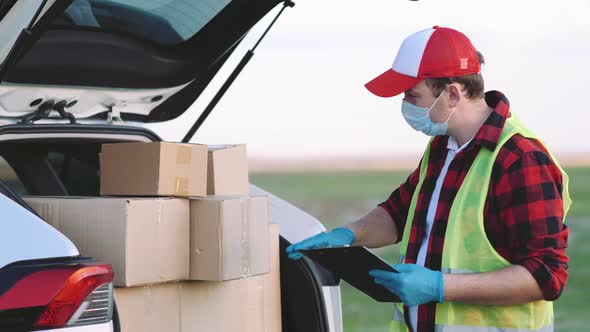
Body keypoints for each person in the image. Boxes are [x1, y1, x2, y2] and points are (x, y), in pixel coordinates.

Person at [286, 26, 571, 332]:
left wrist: (439, 287)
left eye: (412, 94)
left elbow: (546, 275)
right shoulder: (441, 146)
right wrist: (347, 236)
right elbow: (399, 213)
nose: (405, 104)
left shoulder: (520, 159)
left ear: (451, 93)